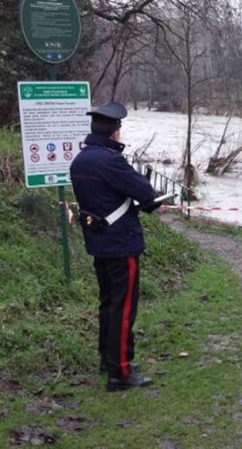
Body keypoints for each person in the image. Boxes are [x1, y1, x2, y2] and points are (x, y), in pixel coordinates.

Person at [70, 101, 159, 391]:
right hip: (121, 243)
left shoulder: (80, 161)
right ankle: (120, 372)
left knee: (109, 303)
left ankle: (107, 360)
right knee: (123, 308)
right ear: (115, 131)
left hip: (98, 242)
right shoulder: (111, 161)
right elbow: (146, 192)